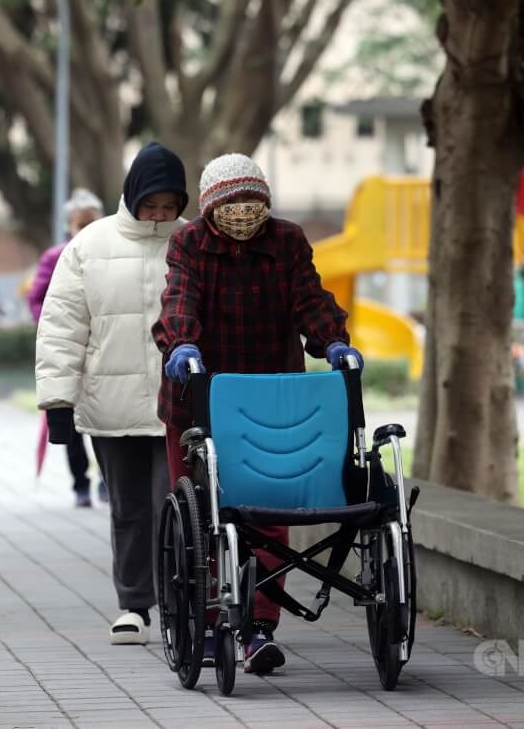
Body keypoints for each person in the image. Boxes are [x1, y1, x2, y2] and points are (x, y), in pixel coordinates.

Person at [152, 152, 361, 675]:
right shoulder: (189, 243)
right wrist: (180, 344)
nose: (243, 212)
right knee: (205, 517)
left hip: (273, 399)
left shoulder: (287, 241)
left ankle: (259, 625)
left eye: (253, 202)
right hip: (201, 393)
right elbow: (180, 301)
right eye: (232, 203)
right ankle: (202, 620)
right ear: (209, 207)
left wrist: (332, 342)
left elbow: (309, 299)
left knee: (270, 514)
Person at [36, 142, 188, 645]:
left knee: (178, 505)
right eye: (151, 206)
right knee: (128, 509)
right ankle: (134, 606)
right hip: (112, 404)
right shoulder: (89, 245)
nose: (160, 215)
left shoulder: (193, 242)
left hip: (180, 407)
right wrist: (58, 403)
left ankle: (179, 601)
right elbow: (62, 327)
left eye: (169, 206)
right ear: (132, 197)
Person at [29, 188, 106, 508]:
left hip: (103, 351)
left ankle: (107, 480)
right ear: (69, 226)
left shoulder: (110, 253)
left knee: (107, 420)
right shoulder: (55, 256)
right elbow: (37, 299)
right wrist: (52, 330)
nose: (86, 230)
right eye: (80, 224)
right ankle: (80, 484)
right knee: (70, 424)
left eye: (93, 222)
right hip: (70, 351)